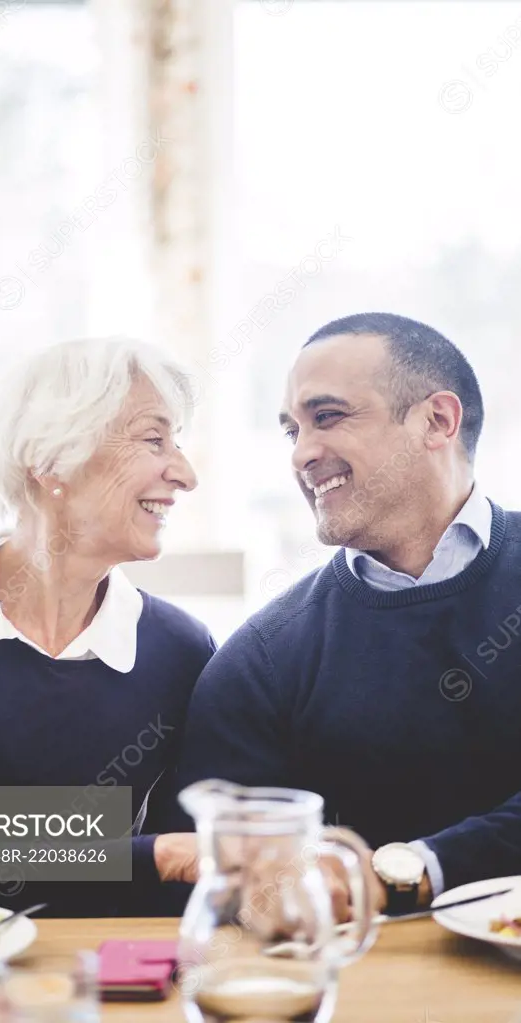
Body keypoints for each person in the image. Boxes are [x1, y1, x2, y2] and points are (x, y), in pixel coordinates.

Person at [164, 312, 521, 918]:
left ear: (438, 421)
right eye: (291, 430)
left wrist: (408, 871)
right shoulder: (262, 659)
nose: (302, 453)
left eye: (327, 417)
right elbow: (235, 883)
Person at [0, 337, 216, 917]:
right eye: (153, 439)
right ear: (52, 460)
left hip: (109, 969)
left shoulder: (180, 648)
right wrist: (149, 855)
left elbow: (181, 885)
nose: (184, 473)